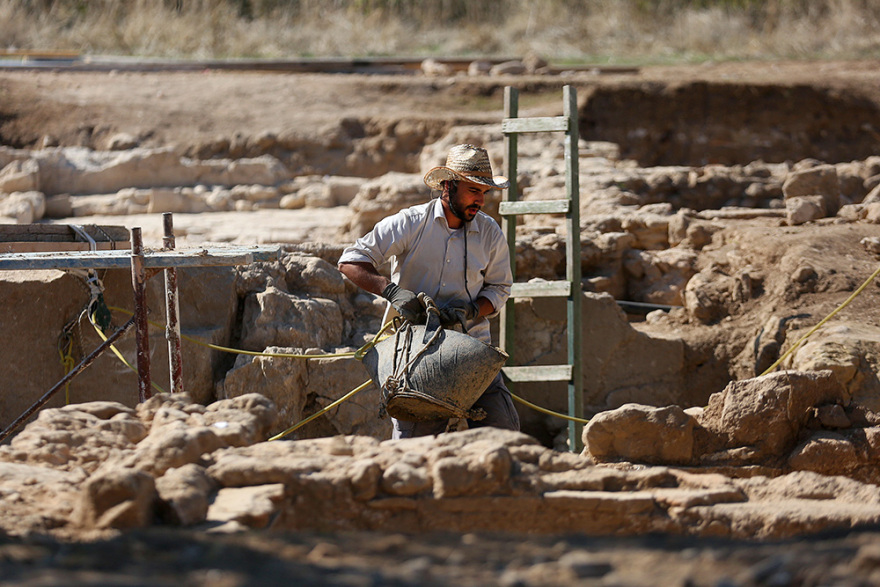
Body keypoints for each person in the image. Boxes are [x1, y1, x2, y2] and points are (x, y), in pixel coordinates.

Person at [337, 143, 520, 439]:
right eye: (474, 190)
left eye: (484, 193)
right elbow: (350, 261)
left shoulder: (490, 233)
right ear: (449, 186)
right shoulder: (410, 223)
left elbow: (500, 287)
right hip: (416, 354)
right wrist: (392, 292)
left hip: (473, 350)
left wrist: (473, 310)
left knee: (505, 436)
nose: (481, 201)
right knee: (414, 451)